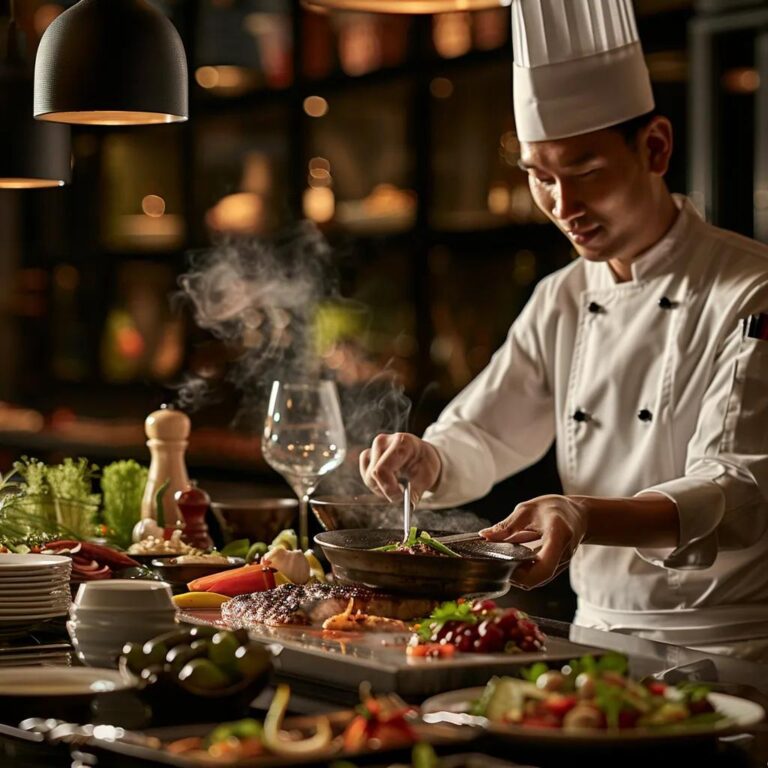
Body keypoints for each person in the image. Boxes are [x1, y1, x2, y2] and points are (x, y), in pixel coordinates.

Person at [359, 0, 768, 660]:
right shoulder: (565, 295)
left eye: (584, 171)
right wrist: (427, 459)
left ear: (655, 147)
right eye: (540, 177)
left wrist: (583, 514)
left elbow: (739, 490)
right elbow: (487, 432)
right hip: (592, 638)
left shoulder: (752, 288)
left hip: (728, 650)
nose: (563, 207)